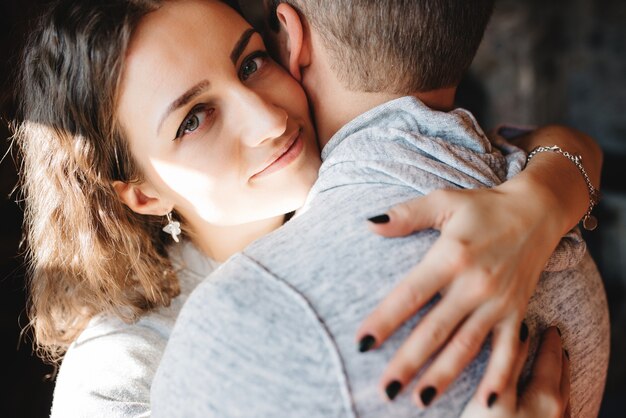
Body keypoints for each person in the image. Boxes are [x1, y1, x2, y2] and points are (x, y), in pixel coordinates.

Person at [13, 0, 601, 416]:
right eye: (194, 119)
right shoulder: (119, 373)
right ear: (143, 193)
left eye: (250, 63)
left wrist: (537, 203)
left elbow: (553, 142)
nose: (269, 120)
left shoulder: (379, 185)